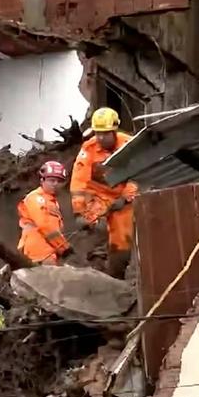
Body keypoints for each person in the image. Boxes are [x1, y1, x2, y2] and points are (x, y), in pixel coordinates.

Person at [70, 107, 139, 279]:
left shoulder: (129, 145)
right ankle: (95, 267)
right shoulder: (89, 148)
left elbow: (138, 174)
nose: (100, 137)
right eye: (98, 133)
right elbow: (79, 180)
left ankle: (116, 274)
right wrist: (79, 211)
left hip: (122, 195)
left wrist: (125, 198)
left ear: (114, 130)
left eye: (105, 133)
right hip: (97, 195)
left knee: (122, 240)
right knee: (94, 228)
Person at [17, 161, 74, 265]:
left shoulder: (51, 201)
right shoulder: (36, 198)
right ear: (42, 180)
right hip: (38, 251)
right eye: (52, 180)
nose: (55, 184)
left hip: (47, 251)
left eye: (59, 181)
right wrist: (64, 247)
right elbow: (45, 225)